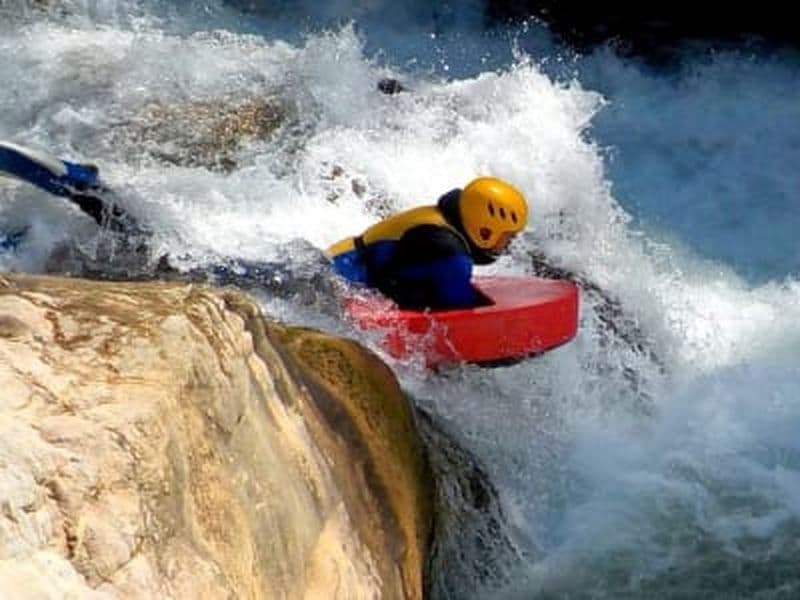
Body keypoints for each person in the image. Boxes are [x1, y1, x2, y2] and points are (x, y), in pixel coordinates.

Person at [326, 176, 529, 310]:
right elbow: (459, 305)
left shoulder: (443, 218)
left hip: (337, 259)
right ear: (485, 230)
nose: (509, 243)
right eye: (508, 236)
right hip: (345, 283)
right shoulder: (452, 254)